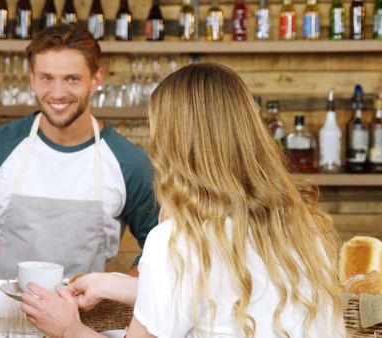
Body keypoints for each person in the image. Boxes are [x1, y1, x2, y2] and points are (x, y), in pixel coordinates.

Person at [20, 62, 346, 338]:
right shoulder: (302, 229)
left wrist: (67, 328)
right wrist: (120, 285)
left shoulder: (176, 241)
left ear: (172, 145)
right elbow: (226, 296)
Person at [0, 24, 157, 278]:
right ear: (32, 80)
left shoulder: (129, 162)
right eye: (46, 78)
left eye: (72, 79)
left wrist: (115, 293)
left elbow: (160, 249)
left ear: (95, 80)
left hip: (81, 315)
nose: (57, 93)